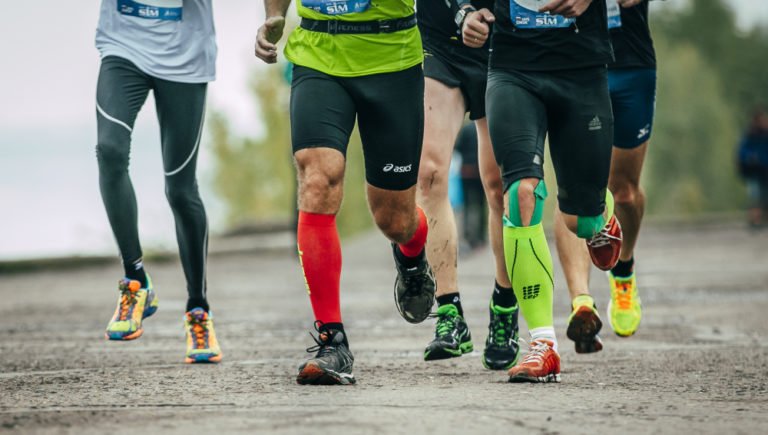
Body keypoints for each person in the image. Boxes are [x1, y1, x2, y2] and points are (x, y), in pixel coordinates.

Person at [255, 0, 436, 385]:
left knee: (394, 220)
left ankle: (412, 254)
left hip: (393, 58)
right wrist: (274, 15)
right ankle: (331, 341)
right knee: (317, 178)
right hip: (317, 51)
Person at [462, 0, 623, 382]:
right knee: (520, 193)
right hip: (513, 68)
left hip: (581, 68)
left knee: (581, 220)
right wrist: (467, 12)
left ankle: (601, 216)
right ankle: (542, 344)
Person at [96, 0, 222, 363]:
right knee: (110, 150)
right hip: (123, 47)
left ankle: (198, 309)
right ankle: (135, 282)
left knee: (181, 190)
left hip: (185, 56)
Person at [416, 1, 521, 371]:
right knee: (428, 174)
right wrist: (461, 11)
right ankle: (449, 312)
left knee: (499, 185)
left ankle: (505, 305)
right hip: (439, 41)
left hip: (502, 42)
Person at [552, 0, 656, 352]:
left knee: (624, 191)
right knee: (573, 188)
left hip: (630, 61)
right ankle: (581, 302)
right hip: (572, 59)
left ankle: (623, 272)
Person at [737, 108, 768, 228]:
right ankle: (754, 221)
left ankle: (762, 220)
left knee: (764, 196)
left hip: (765, 170)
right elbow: (742, 152)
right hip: (754, 171)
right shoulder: (750, 135)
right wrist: (751, 157)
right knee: (755, 196)